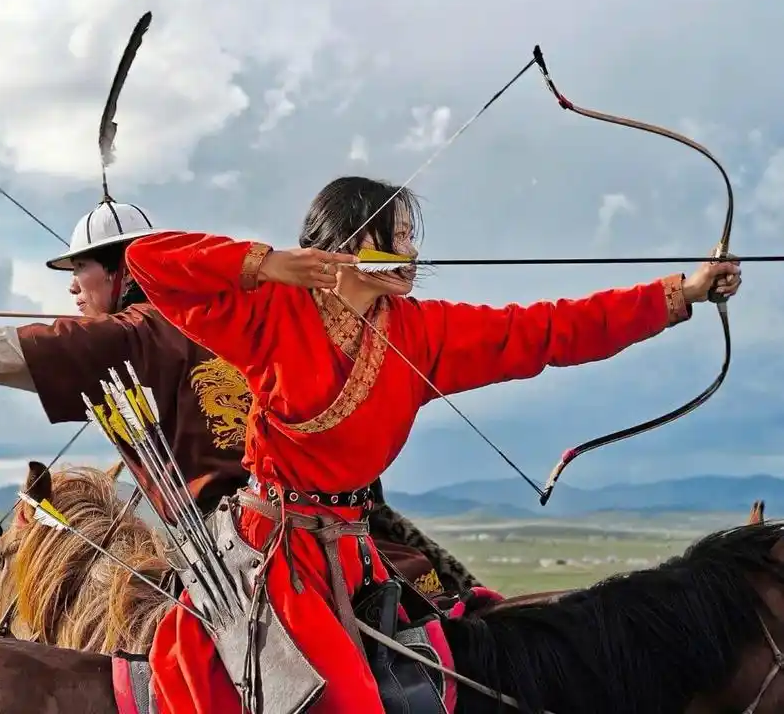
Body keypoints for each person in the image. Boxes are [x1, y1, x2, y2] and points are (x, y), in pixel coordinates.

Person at [123, 174, 742, 713]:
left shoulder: (423, 332)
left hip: (356, 553)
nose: (414, 251)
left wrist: (680, 292)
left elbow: (548, 329)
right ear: (360, 244)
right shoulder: (272, 312)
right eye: (401, 234)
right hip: (276, 554)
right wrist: (264, 263)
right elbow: (148, 261)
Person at [0, 193, 475, 595]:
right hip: (359, 538)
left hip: (252, 564)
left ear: (121, 271)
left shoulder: (126, 336)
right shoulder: (244, 308)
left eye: (80, 270)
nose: (71, 287)